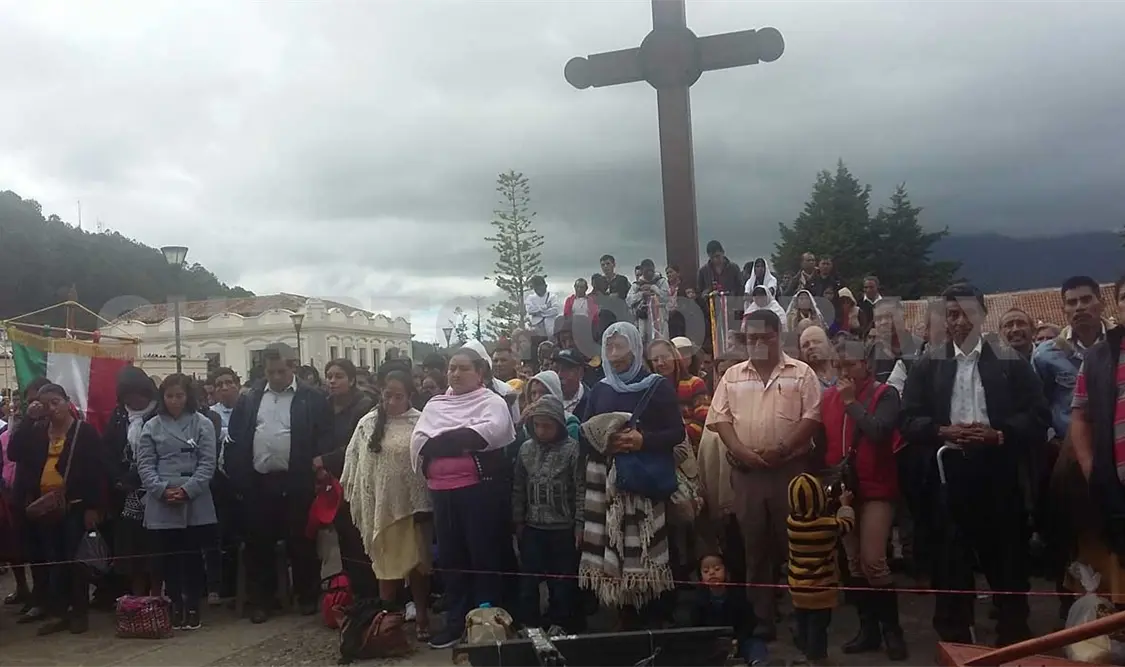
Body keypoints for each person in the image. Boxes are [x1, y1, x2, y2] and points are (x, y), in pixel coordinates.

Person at [899, 283, 1048, 645]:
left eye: (966, 313)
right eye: (951, 314)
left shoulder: (1009, 360)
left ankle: (1014, 637)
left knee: (1007, 559)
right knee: (950, 561)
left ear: (981, 315)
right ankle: (954, 640)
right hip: (948, 472)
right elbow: (907, 419)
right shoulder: (928, 364)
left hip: (998, 469)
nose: (959, 321)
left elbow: (1038, 414)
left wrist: (999, 434)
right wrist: (941, 430)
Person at [708, 309, 822, 639]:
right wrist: (743, 452)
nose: (757, 343)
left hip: (790, 472)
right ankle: (762, 618)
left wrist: (782, 449)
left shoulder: (801, 373)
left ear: (778, 336)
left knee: (798, 548)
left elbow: (812, 418)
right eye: (751, 338)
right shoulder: (731, 376)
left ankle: (807, 621)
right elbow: (721, 420)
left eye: (764, 337)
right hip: (747, 474)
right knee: (754, 546)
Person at [578, 321, 684, 628]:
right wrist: (606, 441)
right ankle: (625, 617)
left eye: (620, 345)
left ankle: (656, 617)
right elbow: (583, 433)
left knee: (649, 549)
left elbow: (676, 431)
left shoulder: (655, 385)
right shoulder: (600, 389)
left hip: (645, 481)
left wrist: (643, 440)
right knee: (616, 551)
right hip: (608, 485)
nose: (613, 352)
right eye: (608, 346)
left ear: (636, 347)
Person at [411, 346, 516, 649]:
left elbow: (487, 435)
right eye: (451, 368)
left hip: (478, 493)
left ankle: (487, 623)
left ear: (480, 372)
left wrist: (445, 439)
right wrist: (457, 441)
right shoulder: (435, 404)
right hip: (442, 495)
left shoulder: (491, 402)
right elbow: (421, 443)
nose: (455, 374)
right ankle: (456, 621)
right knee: (452, 558)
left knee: (482, 555)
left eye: (463, 368)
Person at [227, 346, 333, 623]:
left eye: (281, 371)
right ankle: (262, 600)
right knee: (258, 542)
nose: (276, 377)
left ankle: (307, 595)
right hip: (259, 481)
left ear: (293, 367)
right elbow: (238, 437)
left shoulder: (312, 397)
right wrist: (239, 475)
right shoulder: (250, 398)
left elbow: (323, 436)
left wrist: (318, 468)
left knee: (302, 541)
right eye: (271, 371)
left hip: (297, 480)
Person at [819, 339, 908, 660]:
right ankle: (867, 629)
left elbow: (880, 431)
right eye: (837, 367)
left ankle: (892, 631)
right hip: (843, 489)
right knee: (854, 562)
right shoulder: (826, 399)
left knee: (873, 559)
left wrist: (850, 403)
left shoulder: (885, 395)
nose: (843, 373)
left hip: (877, 488)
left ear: (865, 365)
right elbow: (820, 442)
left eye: (849, 366)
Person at [341, 370, 433, 641]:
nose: (391, 401)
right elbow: (356, 463)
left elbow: (426, 465)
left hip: (414, 509)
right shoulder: (367, 424)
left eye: (398, 396)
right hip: (382, 508)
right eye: (387, 395)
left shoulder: (422, 422)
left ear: (409, 396)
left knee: (418, 566)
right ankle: (386, 623)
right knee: (385, 567)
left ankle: (422, 615)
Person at [7, 383, 105, 635]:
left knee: (75, 560)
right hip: (46, 507)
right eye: (45, 404)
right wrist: (28, 418)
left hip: (75, 505)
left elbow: (96, 472)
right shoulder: (39, 430)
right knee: (54, 560)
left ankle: (79, 612)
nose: (52, 408)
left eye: (55, 402)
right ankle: (60, 612)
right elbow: (14, 451)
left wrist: (93, 507)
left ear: (66, 401)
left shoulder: (83, 432)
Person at [135, 374, 218, 630]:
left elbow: (208, 462)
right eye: (169, 396)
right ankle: (175, 605)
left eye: (179, 395)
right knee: (168, 558)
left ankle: (193, 605)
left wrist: (188, 490)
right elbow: (145, 463)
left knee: (192, 556)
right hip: (163, 498)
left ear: (188, 396)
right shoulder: (151, 426)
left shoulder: (202, 423)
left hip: (194, 497)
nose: (174, 401)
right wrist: (161, 490)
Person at [512, 395, 583, 632]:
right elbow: (519, 487)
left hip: (563, 527)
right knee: (529, 579)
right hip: (532, 526)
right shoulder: (525, 450)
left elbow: (580, 489)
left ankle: (560, 621)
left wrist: (580, 524)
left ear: (560, 425)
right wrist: (518, 520)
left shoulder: (572, 450)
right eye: (537, 425)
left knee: (561, 580)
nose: (542, 431)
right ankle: (530, 623)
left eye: (548, 425)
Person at [318, 359, 379, 601]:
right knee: (342, 537)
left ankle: (372, 595)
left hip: (358, 479)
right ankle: (352, 591)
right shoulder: (324, 407)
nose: (332, 381)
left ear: (351, 380)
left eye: (339, 376)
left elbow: (358, 446)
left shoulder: (364, 406)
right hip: (331, 483)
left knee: (359, 538)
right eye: (329, 376)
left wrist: (325, 460)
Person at [102, 367, 160, 599]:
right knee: (131, 548)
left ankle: (157, 595)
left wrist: (140, 476)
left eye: (137, 394)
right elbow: (106, 451)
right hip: (125, 494)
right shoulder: (118, 417)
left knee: (155, 546)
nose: (133, 400)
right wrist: (118, 478)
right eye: (127, 395)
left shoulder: (159, 414)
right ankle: (136, 597)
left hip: (156, 490)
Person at [787, 473, 855, 667]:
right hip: (821, 590)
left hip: (798, 588)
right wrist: (845, 505)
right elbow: (847, 524)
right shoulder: (827, 526)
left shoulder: (791, 523)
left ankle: (803, 647)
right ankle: (816, 660)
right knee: (819, 627)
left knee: (803, 621)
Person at [693, 553, 775, 667]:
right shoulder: (698, 600)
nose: (712, 573)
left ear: (726, 572)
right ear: (701, 577)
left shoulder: (738, 595)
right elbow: (696, 628)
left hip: (737, 641)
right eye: (706, 571)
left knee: (756, 645)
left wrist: (737, 639)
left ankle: (758, 663)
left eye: (717, 569)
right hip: (711, 644)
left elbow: (748, 622)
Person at [646, 339, 709, 448]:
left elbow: (703, 419)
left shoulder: (694, 383)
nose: (660, 363)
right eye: (655, 360)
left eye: (665, 357)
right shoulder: (648, 388)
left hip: (690, 449)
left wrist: (677, 438)